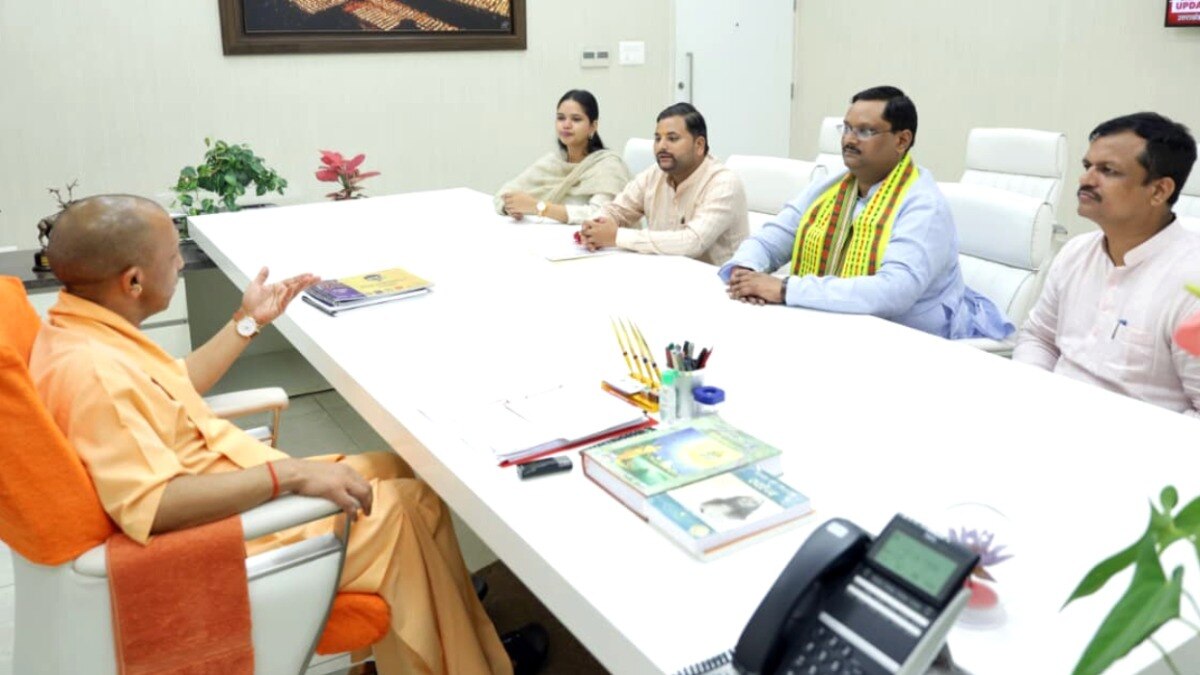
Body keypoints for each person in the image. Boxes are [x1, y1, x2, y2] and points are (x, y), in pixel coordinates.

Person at [29, 195, 546, 675]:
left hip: (226, 481)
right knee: (402, 509)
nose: (182, 265)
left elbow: (175, 386)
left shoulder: (87, 328)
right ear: (134, 282)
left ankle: (444, 631)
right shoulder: (94, 372)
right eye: (173, 257)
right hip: (217, 533)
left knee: (401, 470)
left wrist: (248, 321)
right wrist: (290, 474)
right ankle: (458, 649)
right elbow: (156, 503)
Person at [720, 86, 1011, 340]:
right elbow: (771, 239)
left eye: (865, 131)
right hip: (835, 327)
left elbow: (893, 291)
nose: (849, 140)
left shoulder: (923, 206)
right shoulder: (830, 187)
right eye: (846, 128)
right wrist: (745, 271)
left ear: (902, 140)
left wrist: (785, 289)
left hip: (912, 343)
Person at [1013, 113, 1200, 416]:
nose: (1085, 179)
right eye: (1088, 166)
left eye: (1108, 171)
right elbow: (1040, 338)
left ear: (1159, 191)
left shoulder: (1191, 286)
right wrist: (1031, 398)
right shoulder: (1076, 252)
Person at [579, 102, 748, 266]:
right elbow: (616, 210)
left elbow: (692, 242)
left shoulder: (724, 183)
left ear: (699, 145)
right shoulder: (654, 174)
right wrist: (594, 228)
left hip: (719, 286)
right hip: (663, 274)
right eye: (657, 139)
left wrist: (616, 236)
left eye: (672, 139)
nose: (661, 146)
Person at [494, 89, 631, 224]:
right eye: (561, 118)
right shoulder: (553, 162)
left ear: (593, 126)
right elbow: (504, 193)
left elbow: (599, 215)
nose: (566, 125)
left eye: (576, 119)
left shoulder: (608, 166)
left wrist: (538, 207)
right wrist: (510, 207)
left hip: (593, 243)